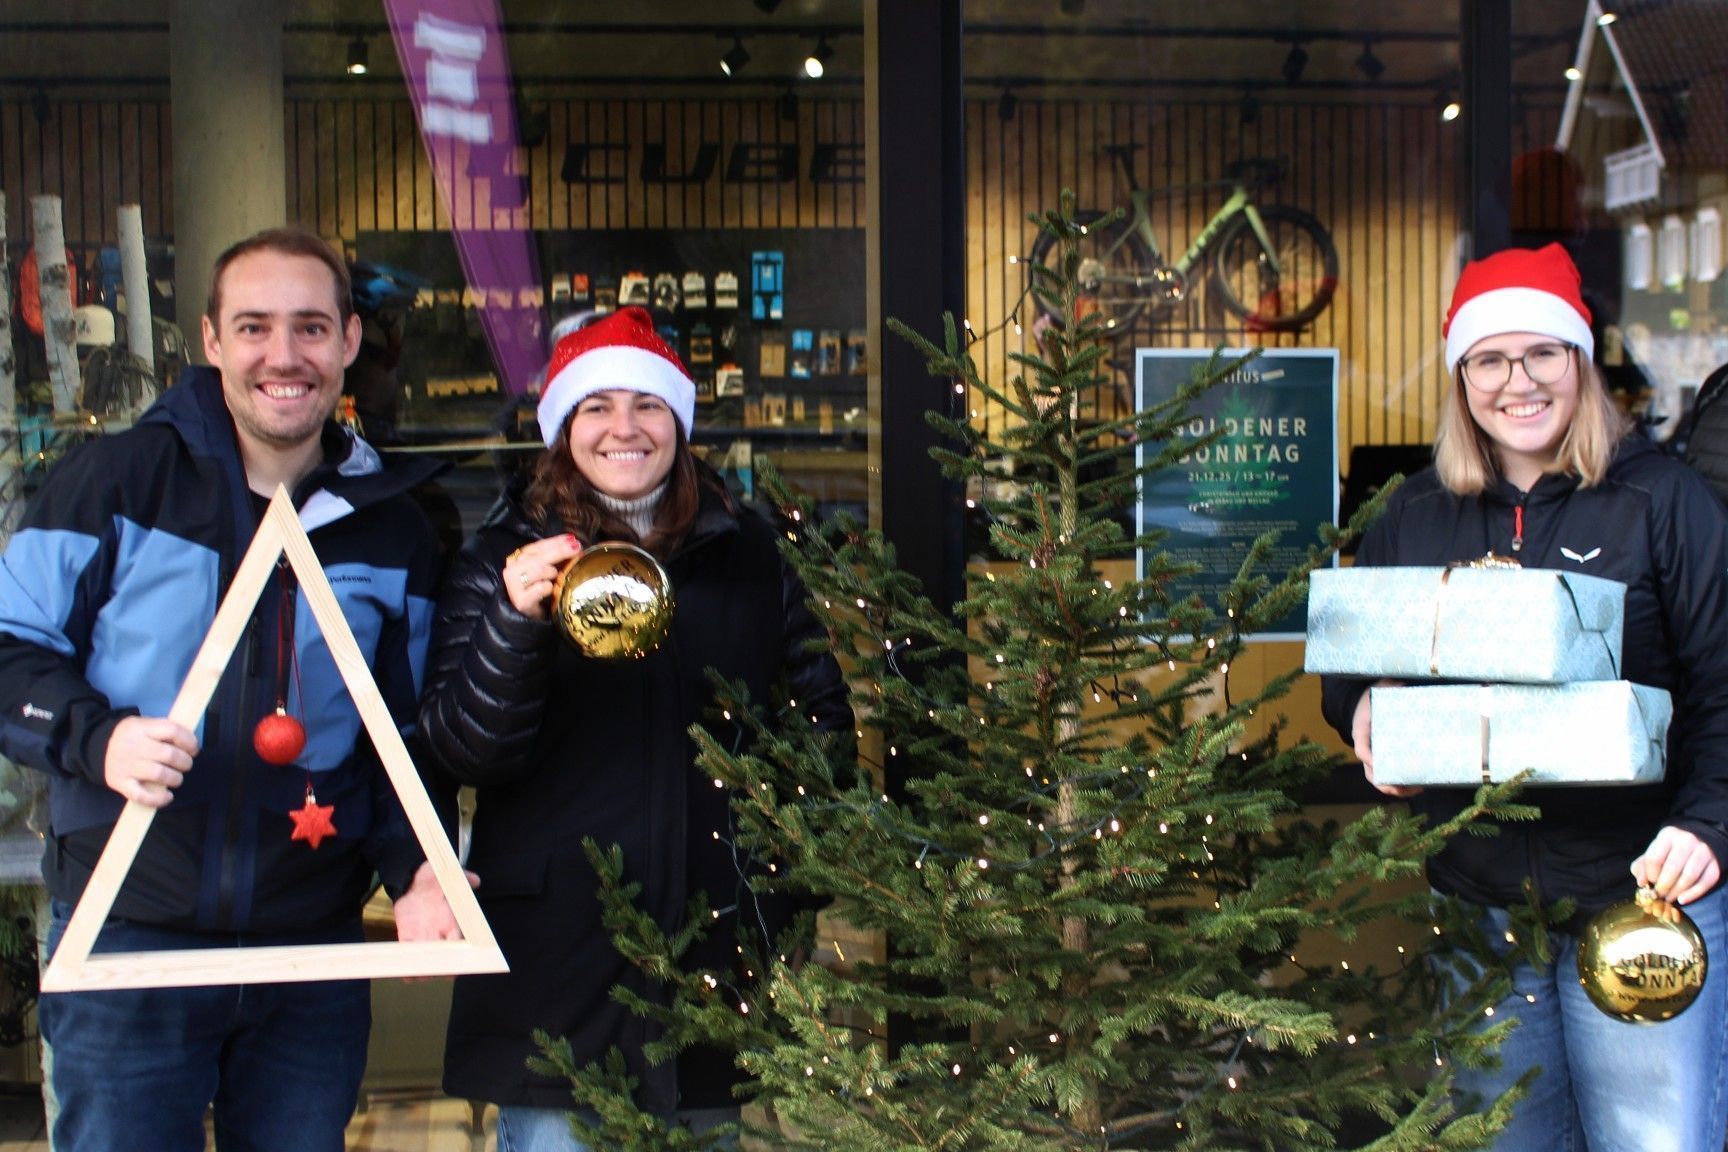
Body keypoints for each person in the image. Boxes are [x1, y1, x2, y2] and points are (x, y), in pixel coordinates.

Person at [0, 226, 462, 1151]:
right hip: (128, 933)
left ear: (349, 341)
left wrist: (420, 870)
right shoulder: (115, 483)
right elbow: (11, 650)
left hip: (309, 954)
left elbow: (403, 740)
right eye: (254, 327)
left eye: (310, 328)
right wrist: (99, 738)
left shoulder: (392, 529)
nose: (283, 356)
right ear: (211, 340)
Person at [1320, 244, 1728, 1152]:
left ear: (1580, 360)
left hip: (1644, 902)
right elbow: (1351, 659)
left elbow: (1723, 683)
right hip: (1482, 913)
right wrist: (1363, 707)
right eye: (1491, 360)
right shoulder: (1414, 514)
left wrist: (1709, 824)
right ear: (1462, 376)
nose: (1519, 382)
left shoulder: (1664, 501)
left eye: (1542, 352)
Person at [417, 305, 852, 1151]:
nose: (624, 428)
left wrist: (784, 885)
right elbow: (463, 751)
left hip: (711, 954)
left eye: (647, 404)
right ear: (563, 428)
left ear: (678, 423)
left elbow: (819, 723)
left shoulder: (748, 553)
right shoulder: (503, 558)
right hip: (557, 964)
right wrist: (513, 623)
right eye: (597, 407)